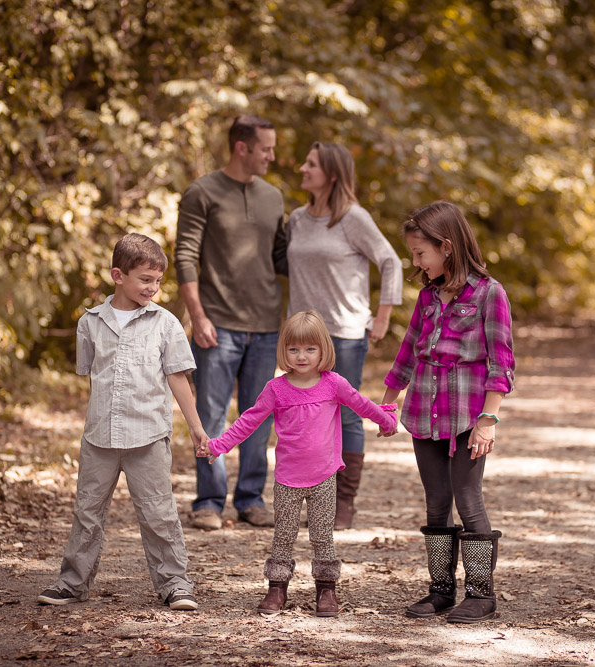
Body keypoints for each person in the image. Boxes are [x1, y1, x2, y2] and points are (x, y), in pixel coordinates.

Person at [38, 233, 208, 611]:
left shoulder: (165, 324)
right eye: (145, 279)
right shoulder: (91, 323)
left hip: (148, 436)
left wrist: (196, 427)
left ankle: (175, 584)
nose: (153, 287)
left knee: (159, 513)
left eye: (158, 281)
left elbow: (178, 377)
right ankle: (72, 583)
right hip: (100, 437)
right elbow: (91, 374)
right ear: (118, 275)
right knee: (87, 512)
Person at [196, 311, 398, 616]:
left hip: (324, 475)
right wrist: (220, 445)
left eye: (309, 349)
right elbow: (249, 420)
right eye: (294, 349)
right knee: (284, 535)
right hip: (288, 477)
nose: (301, 356)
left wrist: (386, 419)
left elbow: (361, 404)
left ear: (323, 350)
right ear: (284, 351)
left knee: (322, 536)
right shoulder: (276, 389)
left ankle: (326, 591)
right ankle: (277, 591)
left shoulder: (333, 384)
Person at [379, 201, 516, 624]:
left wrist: (488, 420)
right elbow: (407, 353)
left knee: (468, 498)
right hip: (424, 407)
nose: (416, 261)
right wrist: (387, 402)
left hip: (469, 416)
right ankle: (441, 590)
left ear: (448, 247)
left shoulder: (490, 293)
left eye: (421, 253)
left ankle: (480, 594)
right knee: (436, 501)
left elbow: (502, 363)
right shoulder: (427, 296)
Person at [175, 114, 288, 531]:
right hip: (216, 324)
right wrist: (198, 316)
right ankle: (208, 501)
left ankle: (251, 498)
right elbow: (185, 256)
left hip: (265, 325)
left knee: (259, 416)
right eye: (266, 149)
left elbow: (283, 258)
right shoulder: (201, 192)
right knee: (210, 415)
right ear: (242, 147)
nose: (271, 156)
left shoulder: (274, 198)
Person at [287, 141, 402, 530]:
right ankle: (314, 495)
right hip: (303, 337)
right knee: (305, 415)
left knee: (348, 415)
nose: (303, 168)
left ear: (332, 174)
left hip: (346, 333)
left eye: (311, 164)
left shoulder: (353, 218)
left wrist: (382, 316)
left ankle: (344, 502)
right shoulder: (298, 219)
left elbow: (390, 261)